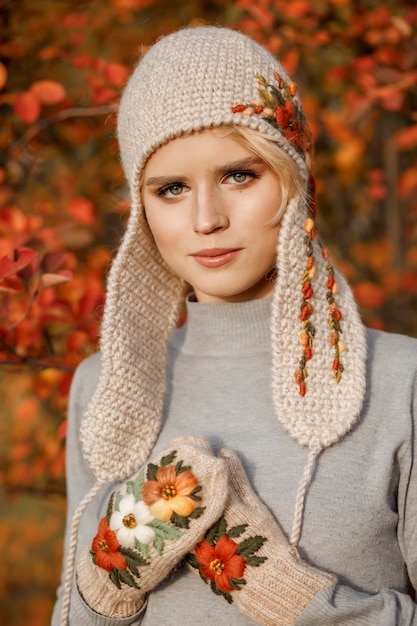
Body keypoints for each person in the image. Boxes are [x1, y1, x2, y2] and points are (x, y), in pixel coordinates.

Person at [52, 26, 417, 626]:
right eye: (171, 189)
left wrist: (301, 602)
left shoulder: (400, 384)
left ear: (294, 175)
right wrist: (103, 590)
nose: (206, 219)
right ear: (142, 209)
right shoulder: (105, 390)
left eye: (239, 175)